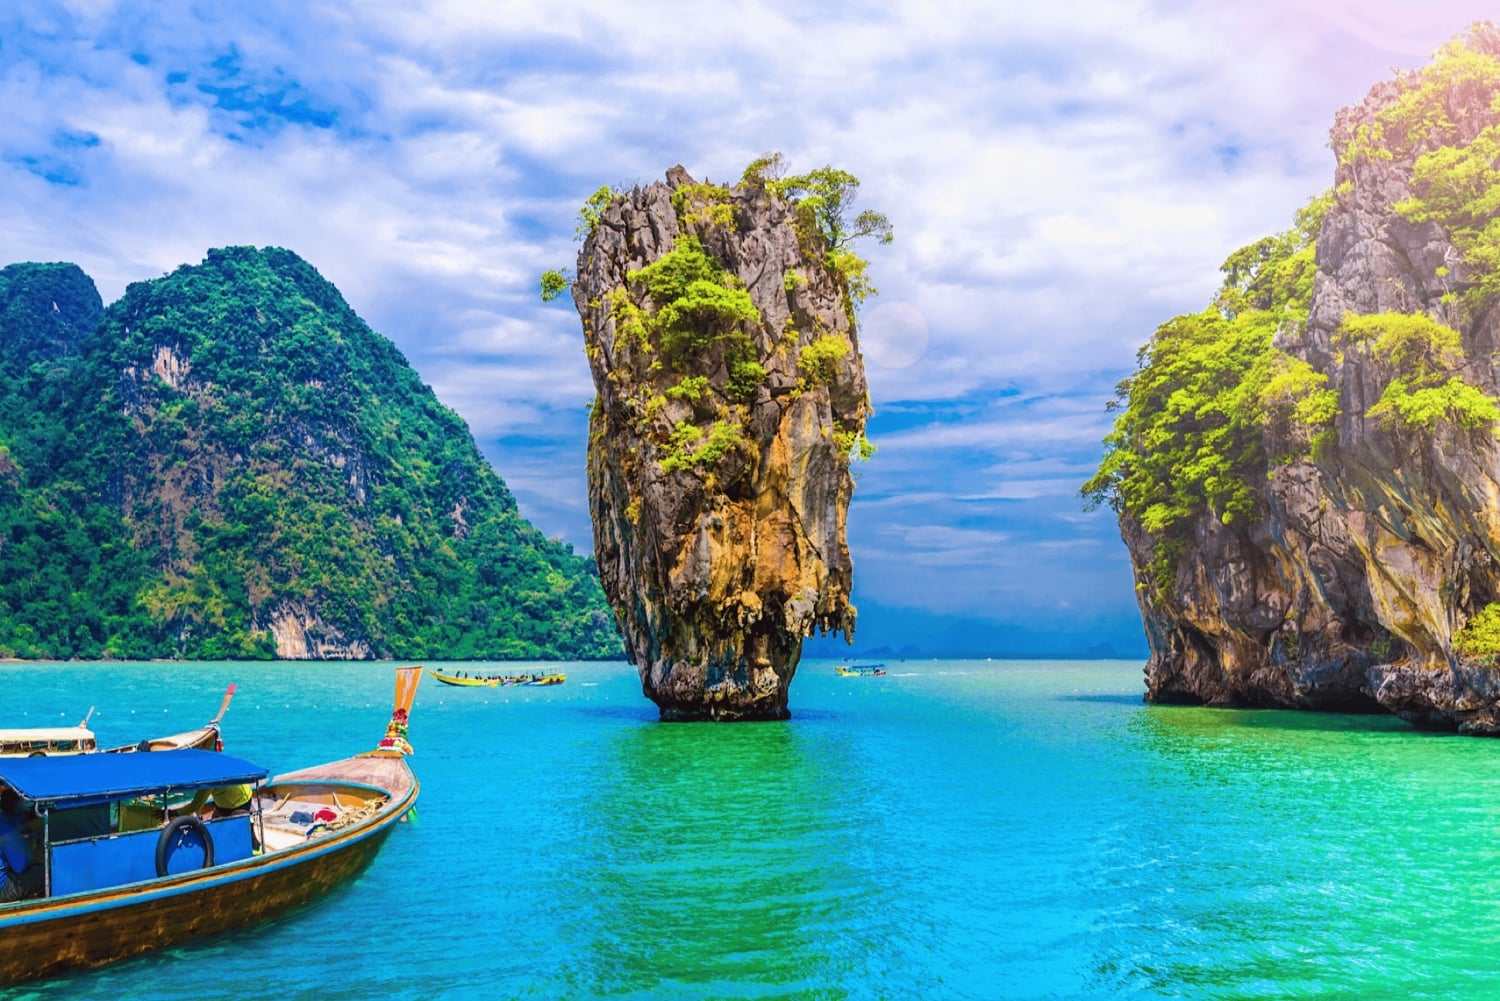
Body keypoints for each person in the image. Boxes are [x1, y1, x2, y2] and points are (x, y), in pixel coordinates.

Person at [0, 787, 42, 902]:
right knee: (45, 872)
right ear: (16, 804)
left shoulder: (5, 820)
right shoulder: (5, 830)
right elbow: (19, 866)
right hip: (2, 888)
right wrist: (30, 849)